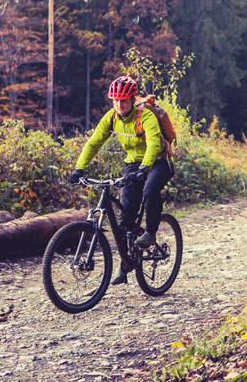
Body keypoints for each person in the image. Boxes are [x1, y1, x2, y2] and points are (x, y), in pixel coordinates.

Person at [69, 75, 174, 285]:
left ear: (132, 99)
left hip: (159, 161)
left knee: (149, 190)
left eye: (123, 100)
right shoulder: (111, 117)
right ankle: (126, 263)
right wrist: (80, 168)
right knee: (125, 219)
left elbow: (154, 143)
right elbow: (93, 143)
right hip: (133, 165)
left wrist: (145, 168)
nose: (119, 104)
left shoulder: (145, 116)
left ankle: (151, 232)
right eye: (115, 100)